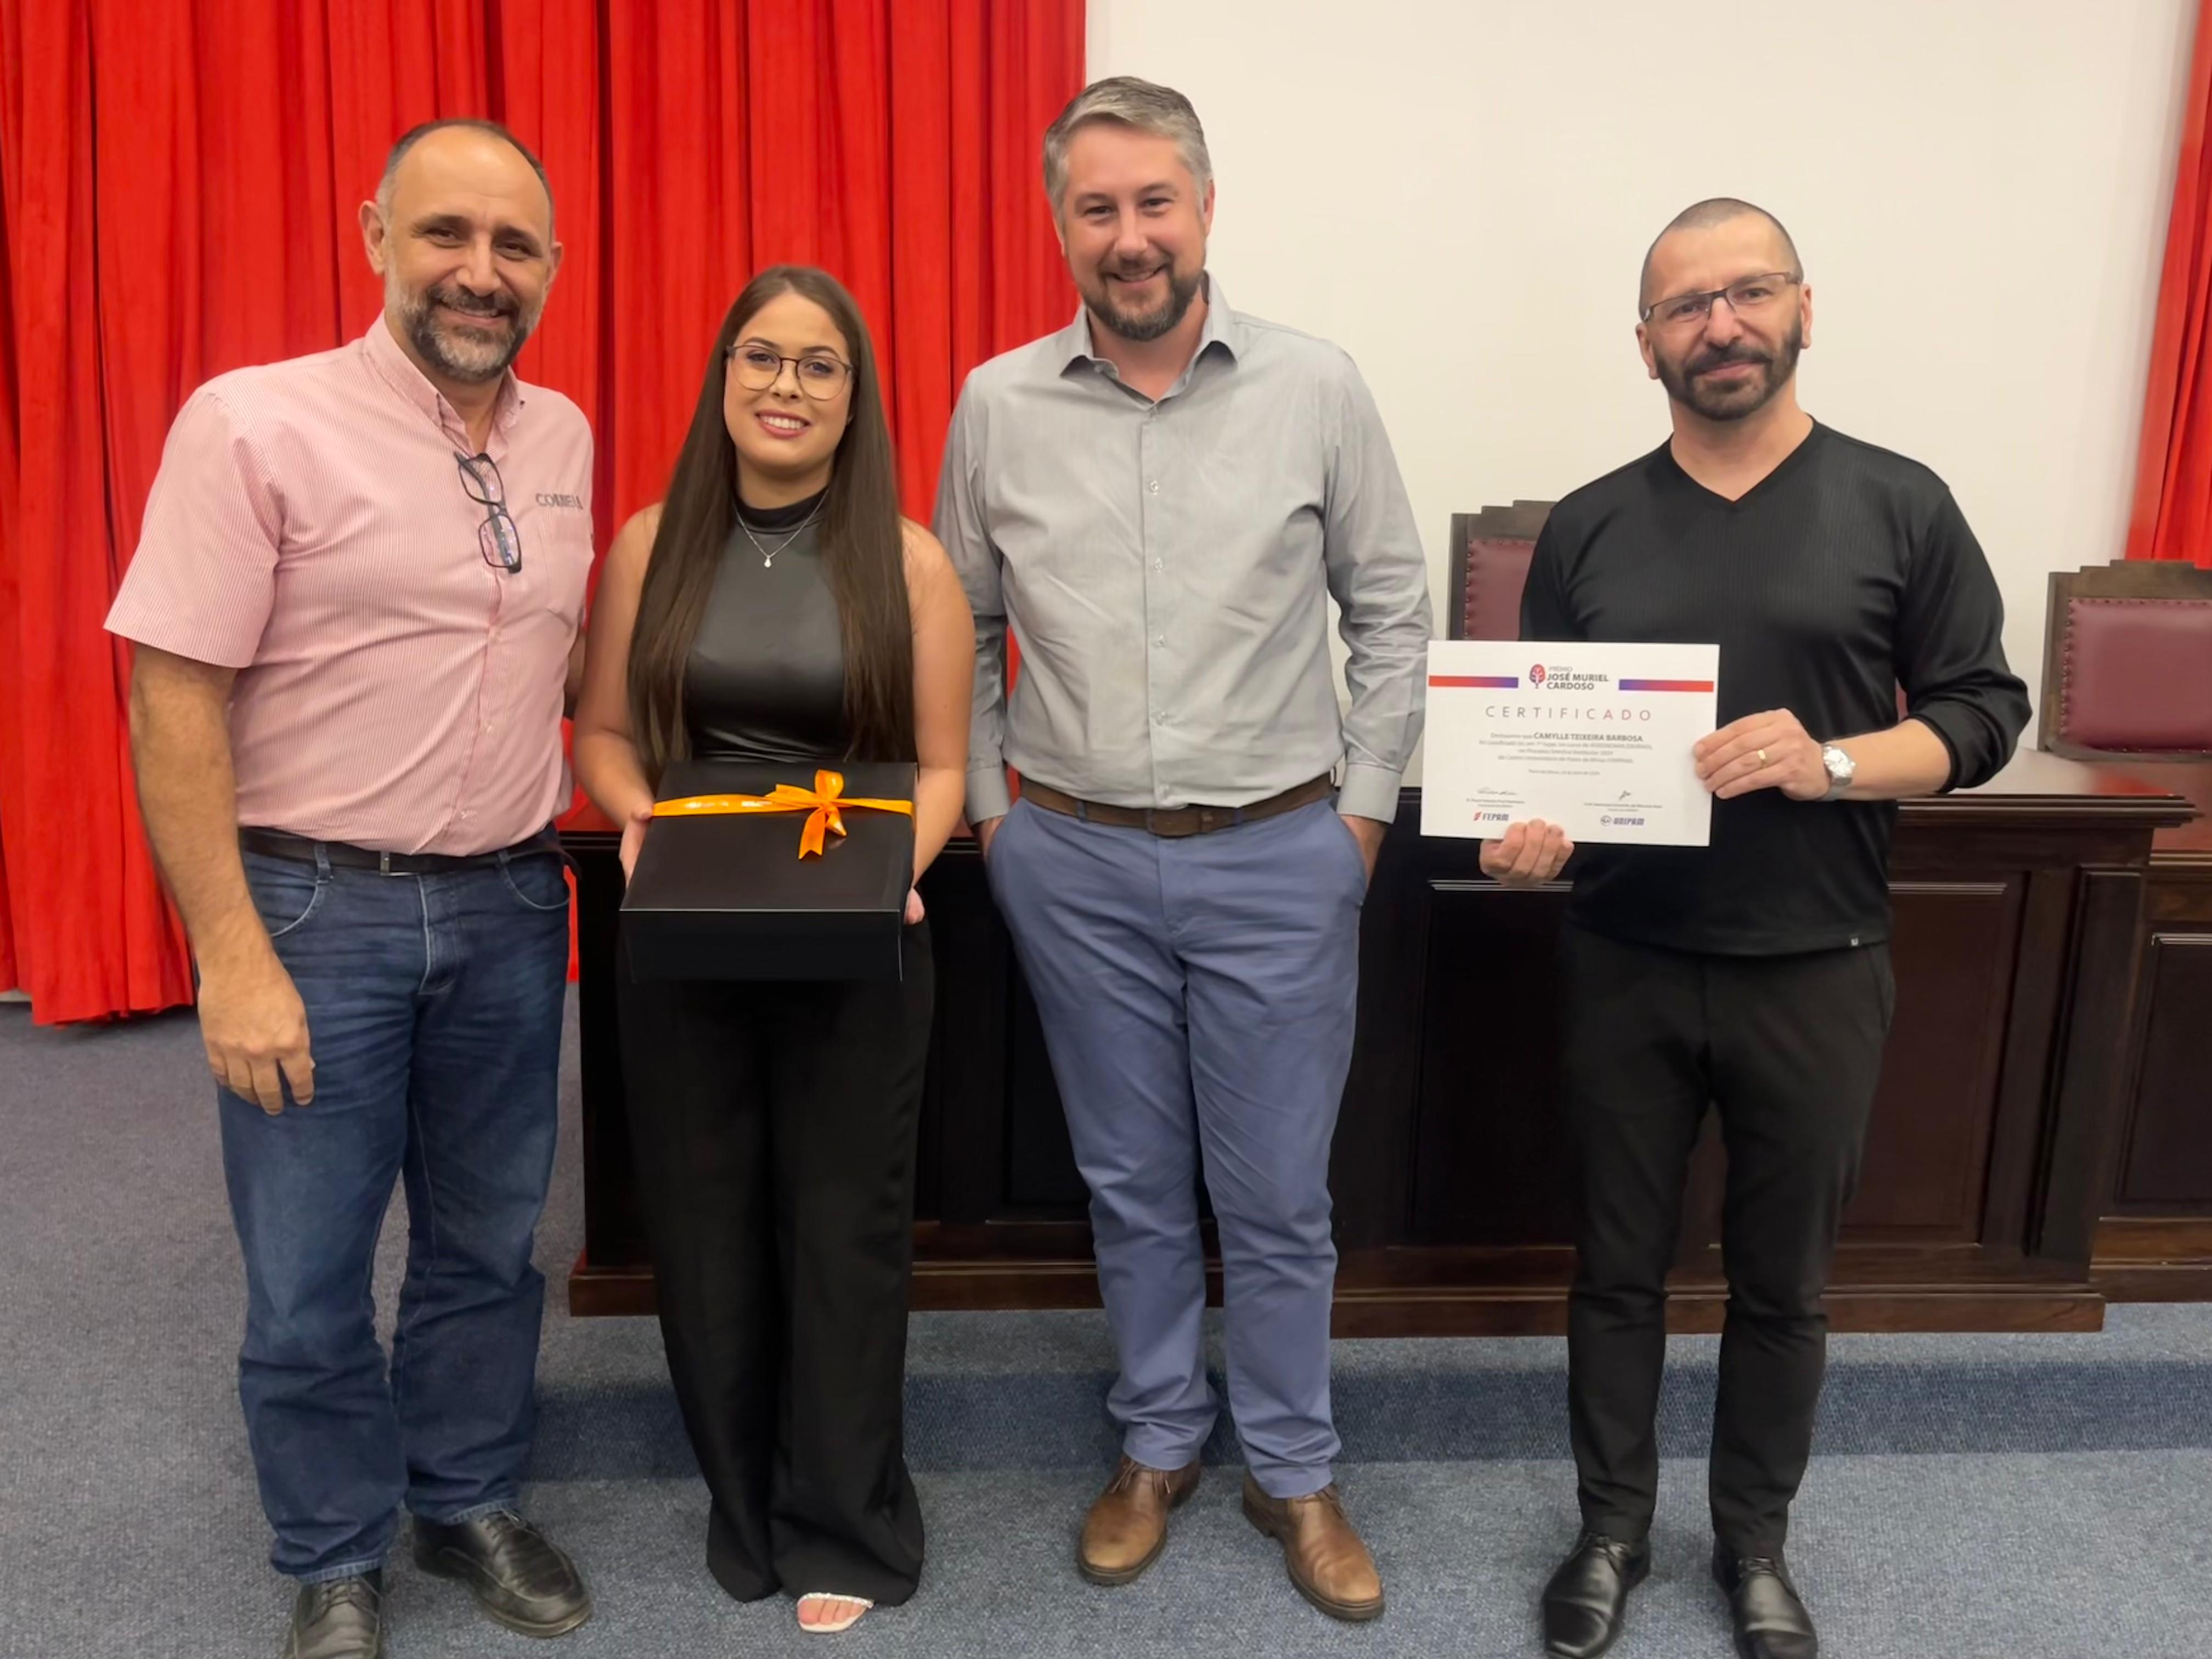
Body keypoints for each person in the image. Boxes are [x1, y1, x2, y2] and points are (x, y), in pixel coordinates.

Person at [1499, 199, 2030, 1659]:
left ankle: (1754, 1545)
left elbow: (1985, 715)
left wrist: (1834, 759)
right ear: (1646, 344)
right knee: (1615, 1271)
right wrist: (1528, 836)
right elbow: (1545, 748)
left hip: (1819, 962)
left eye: (1748, 292)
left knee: (1783, 1286)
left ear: (1804, 309)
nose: (1719, 325)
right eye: (1686, 305)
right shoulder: (1588, 525)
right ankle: (1610, 1530)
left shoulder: (1901, 502)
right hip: (1625, 957)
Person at [935, 77, 1432, 1622]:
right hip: (1073, 863)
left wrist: (1361, 816)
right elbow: (962, 625)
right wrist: (994, 816)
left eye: (1156, 201)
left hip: (1281, 854)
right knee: (1131, 1182)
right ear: (1060, 224)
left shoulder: (1317, 386)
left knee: (1277, 1197)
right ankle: (1159, 1442)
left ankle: (1294, 1467)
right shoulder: (997, 405)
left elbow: (1393, 608)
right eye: (1097, 208)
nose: (1130, 236)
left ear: (1206, 208)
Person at [105, 120, 597, 1659]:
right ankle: (332, 1552)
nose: (480, 271)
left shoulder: (566, 438)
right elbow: (171, 697)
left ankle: (464, 1497)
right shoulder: (254, 422)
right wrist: (229, 953)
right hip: (318, 915)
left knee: (487, 1244)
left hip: (513, 907)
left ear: (553, 268)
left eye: (514, 246)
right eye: (447, 233)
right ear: (378, 233)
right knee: (310, 1270)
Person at [571, 264, 972, 1636]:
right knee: (704, 1226)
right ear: (724, 377)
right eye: (761, 357)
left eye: (819, 364)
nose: (786, 386)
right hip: (684, 931)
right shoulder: (649, 547)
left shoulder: (909, 563)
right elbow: (603, 735)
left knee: (841, 1233)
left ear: (855, 399)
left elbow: (942, 769)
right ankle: (743, 1506)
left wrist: (888, 876)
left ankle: (846, 1524)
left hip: (858, 941)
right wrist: (636, 823)